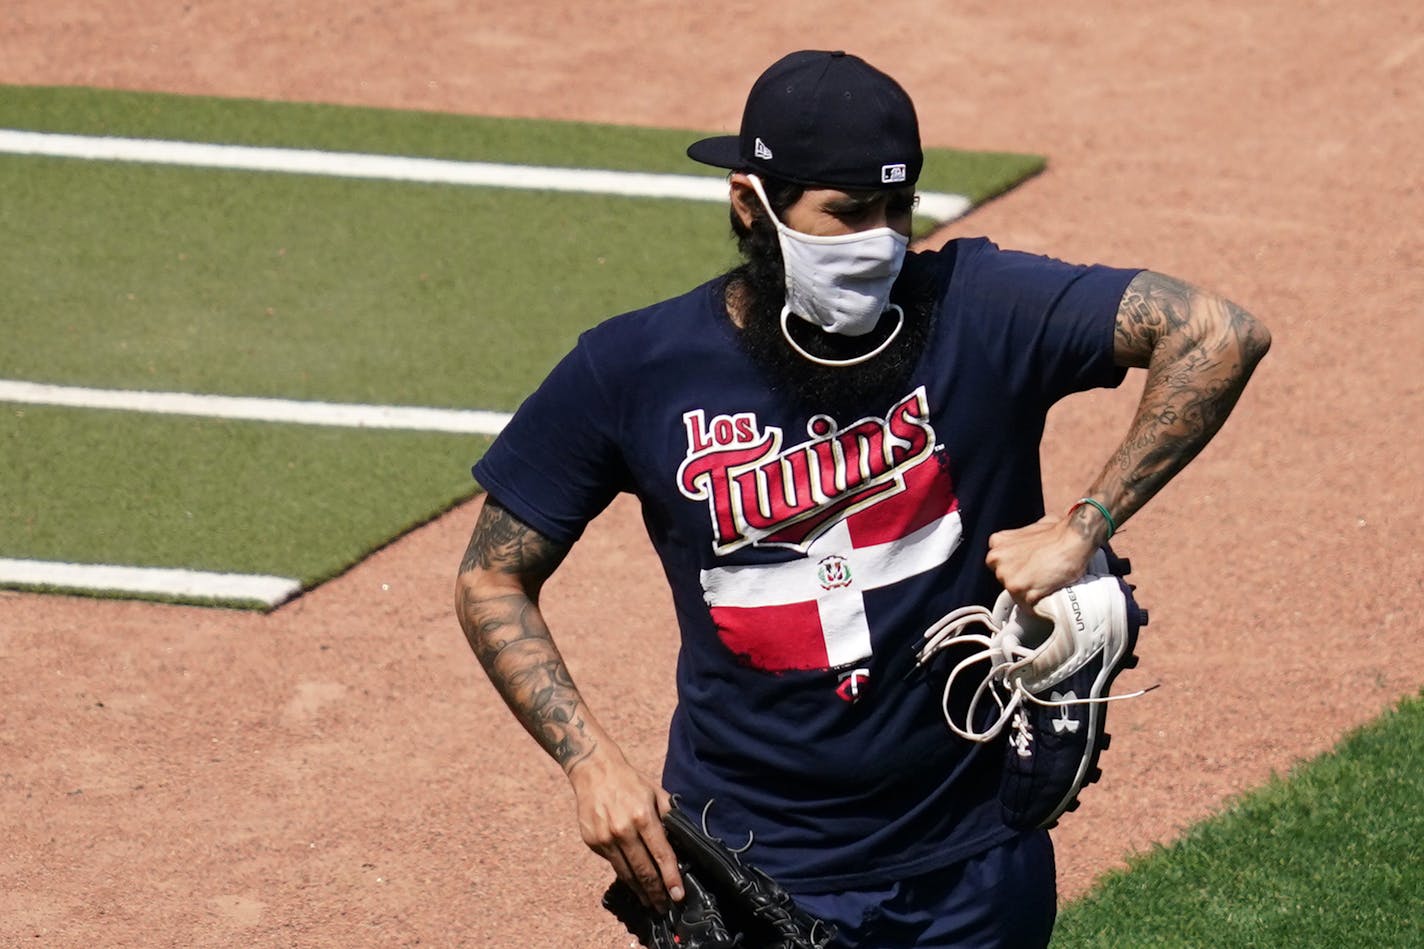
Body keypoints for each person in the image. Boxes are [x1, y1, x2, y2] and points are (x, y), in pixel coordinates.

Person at [455, 49, 1269, 947]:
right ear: (749, 204)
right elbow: (492, 578)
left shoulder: (978, 304)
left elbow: (1218, 334)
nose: (880, 238)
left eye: (898, 208)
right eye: (846, 212)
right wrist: (588, 759)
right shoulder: (632, 369)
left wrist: (1086, 525)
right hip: (757, 864)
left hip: (973, 869)